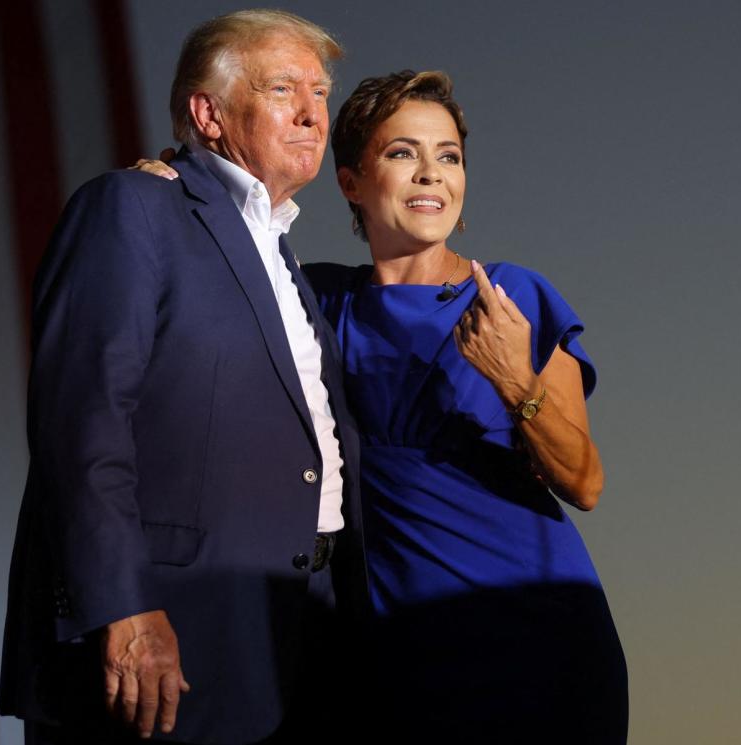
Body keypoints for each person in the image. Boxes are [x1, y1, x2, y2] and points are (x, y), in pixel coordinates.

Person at [138, 68, 627, 741]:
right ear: (350, 182)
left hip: (535, 636)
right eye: (403, 153)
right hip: (395, 654)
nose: (432, 174)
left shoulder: (512, 296)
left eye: (448, 157)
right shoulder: (319, 300)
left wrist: (516, 378)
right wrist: (171, 187)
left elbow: (585, 481)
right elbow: (214, 274)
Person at [0, 10, 368, 744]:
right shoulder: (134, 207)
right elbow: (82, 422)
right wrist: (121, 607)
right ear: (209, 112)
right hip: (172, 636)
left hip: (305, 631)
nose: (312, 112)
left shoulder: (286, 258)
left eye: (321, 93)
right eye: (283, 88)